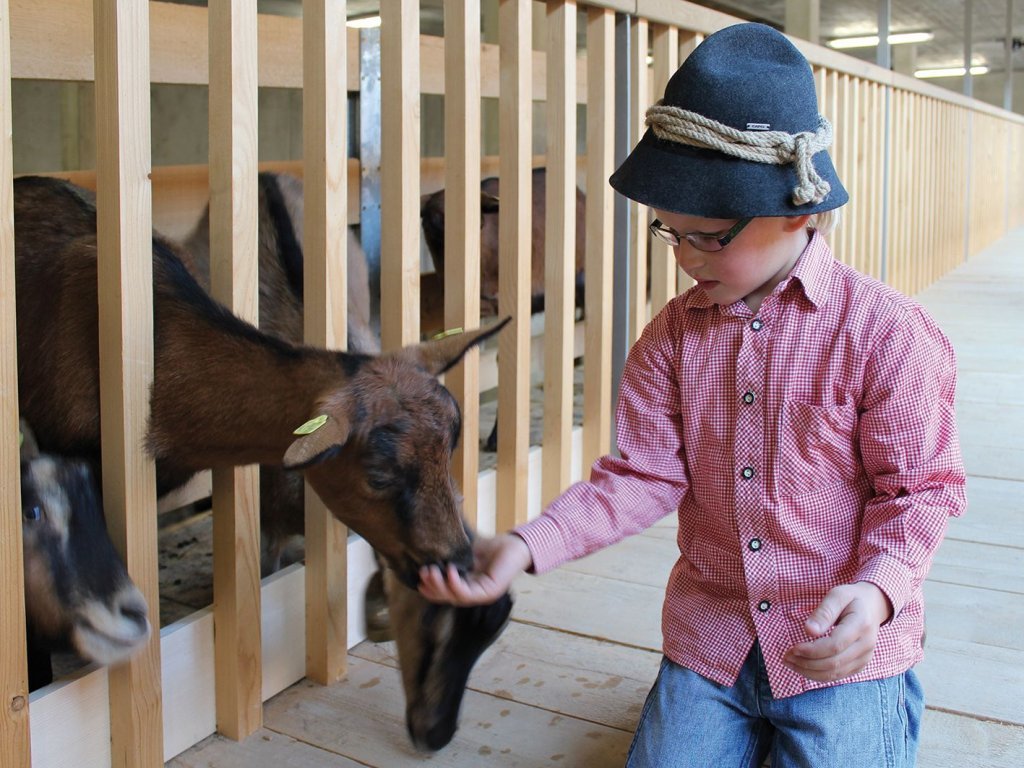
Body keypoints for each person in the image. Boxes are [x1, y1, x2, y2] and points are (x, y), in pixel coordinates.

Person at [419, 22, 965, 768]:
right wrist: (524, 545)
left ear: (803, 210)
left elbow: (921, 492)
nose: (684, 259)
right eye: (669, 233)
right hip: (716, 634)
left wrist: (875, 595)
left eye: (710, 236)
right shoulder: (670, 340)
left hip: (841, 636)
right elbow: (641, 474)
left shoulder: (886, 336)